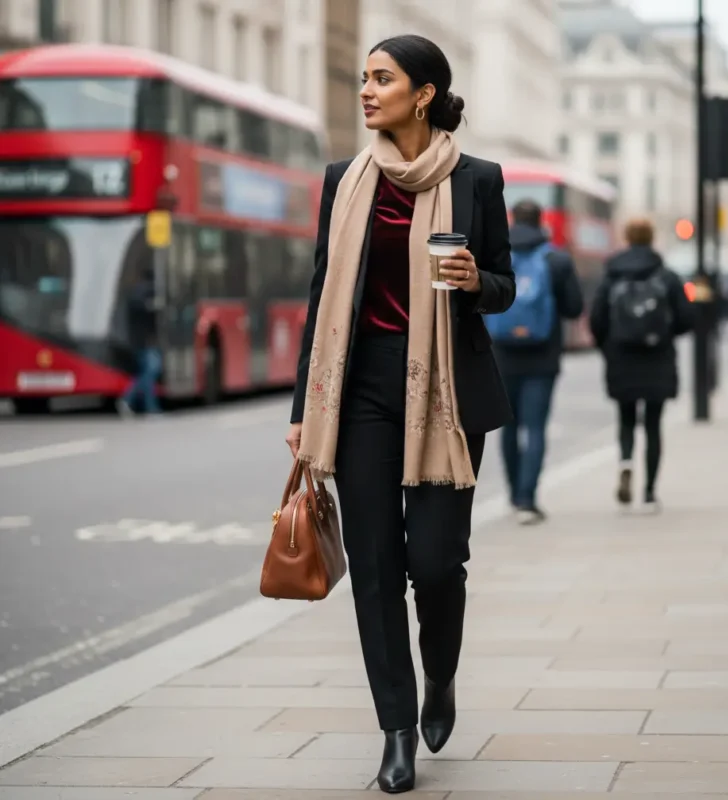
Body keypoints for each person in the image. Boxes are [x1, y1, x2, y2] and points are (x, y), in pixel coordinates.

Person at [285, 34, 515, 794]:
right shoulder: (343, 180)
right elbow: (323, 295)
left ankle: (439, 677)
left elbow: (506, 285)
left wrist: (473, 277)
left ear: (423, 93)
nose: (366, 90)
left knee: (436, 563)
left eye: (381, 78)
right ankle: (396, 729)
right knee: (377, 567)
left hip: (445, 391)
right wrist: (301, 410)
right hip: (359, 394)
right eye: (363, 78)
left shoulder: (477, 180)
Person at [486, 199, 583, 524]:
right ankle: (528, 499)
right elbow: (573, 308)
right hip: (543, 358)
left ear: (513, 219)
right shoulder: (556, 259)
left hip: (502, 355)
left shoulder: (496, 255)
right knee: (536, 428)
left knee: (509, 428)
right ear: (541, 221)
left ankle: (514, 495)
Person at [589, 218, 693, 511]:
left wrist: (607, 347)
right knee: (653, 424)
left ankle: (625, 462)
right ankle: (648, 493)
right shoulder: (668, 276)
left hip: (621, 357)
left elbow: (597, 320)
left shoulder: (611, 274)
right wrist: (665, 334)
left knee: (625, 418)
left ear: (627, 238)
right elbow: (687, 318)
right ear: (651, 238)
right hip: (657, 357)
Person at [119, 266, 161, 416]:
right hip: (145, 342)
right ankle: (133, 401)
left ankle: (147, 406)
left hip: (136, 341)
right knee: (150, 372)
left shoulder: (135, 292)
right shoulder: (149, 292)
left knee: (147, 373)